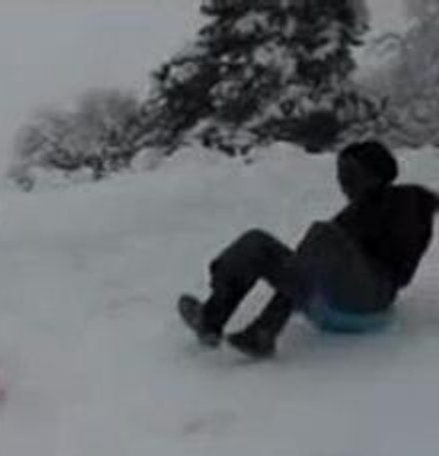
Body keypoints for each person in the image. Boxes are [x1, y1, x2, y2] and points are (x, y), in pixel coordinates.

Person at [178, 140, 439, 358]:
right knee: (256, 242)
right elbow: (310, 263)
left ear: (375, 174)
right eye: (341, 176)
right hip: (334, 300)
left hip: (373, 299)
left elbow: (399, 266)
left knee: (322, 235)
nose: (344, 183)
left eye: (351, 175)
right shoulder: (350, 215)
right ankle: (211, 320)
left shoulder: (408, 200)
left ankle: (264, 332)